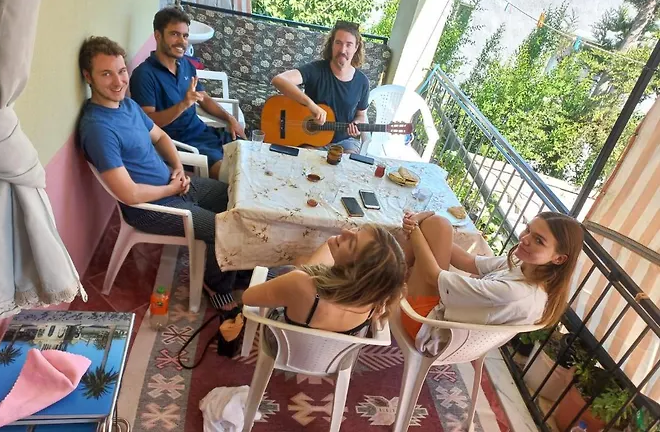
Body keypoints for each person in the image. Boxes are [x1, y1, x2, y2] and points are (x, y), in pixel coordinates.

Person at [77, 36, 238, 311]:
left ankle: (232, 266)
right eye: (106, 74)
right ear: (88, 76)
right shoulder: (98, 129)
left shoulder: (127, 106)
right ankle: (217, 286)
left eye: (121, 71)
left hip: (171, 186)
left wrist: (178, 169)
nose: (118, 82)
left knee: (231, 196)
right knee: (225, 228)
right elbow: (129, 194)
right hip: (148, 207)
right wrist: (171, 189)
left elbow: (161, 137)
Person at [400, 210, 583, 350]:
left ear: (559, 258)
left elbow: (433, 276)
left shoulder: (516, 292)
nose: (525, 239)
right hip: (452, 326)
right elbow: (468, 261)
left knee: (433, 229)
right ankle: (391, 277)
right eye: (528, 230)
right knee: (438, 225)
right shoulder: (523, 264)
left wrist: (414, 228)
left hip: (428, 328)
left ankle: (387, 285)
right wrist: (422, 225)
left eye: (539, 241)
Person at [130, 7, 246, 180]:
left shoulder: (184, 64)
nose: (182, 41)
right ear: (158, 36)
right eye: (174, 34)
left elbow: (203, 98)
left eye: (185, 36)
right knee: (232, 177)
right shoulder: (144, 75)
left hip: (203, 132)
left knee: (249, 155)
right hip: (181, 144)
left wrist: (230, 119)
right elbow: (148, 122)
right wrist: (183, 104)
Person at [242, 225, 406, 334]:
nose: (345, 231)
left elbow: (248, 298)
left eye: (352, 242)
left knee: (293, 266)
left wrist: (298, 276)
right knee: (305, 259)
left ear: (354, 272)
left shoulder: (299, 282)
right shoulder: (377, 298)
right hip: (333, 356)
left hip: (284, 346)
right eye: (357, 230)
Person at [270, 20, 370, 154]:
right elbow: (278, 80)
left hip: (344, 141)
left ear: (356, 47)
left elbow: (361, 115)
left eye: (349, 44)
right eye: (338, 43)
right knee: (309, 162)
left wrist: (357, 123)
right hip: (312, 140)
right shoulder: (316, 69)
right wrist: (311, 105)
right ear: (332, 44)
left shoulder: (362, 82)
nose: (342, 50)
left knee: (348, 163)